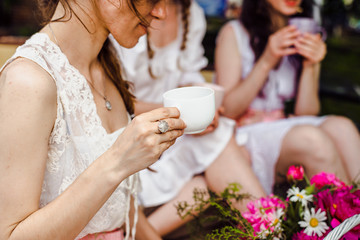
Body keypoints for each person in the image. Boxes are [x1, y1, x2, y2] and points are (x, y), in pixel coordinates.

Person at [0, 0, 188, 239]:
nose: (161, 12)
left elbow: (116, 206)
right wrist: (117, 162)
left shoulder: (107, 66)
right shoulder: (29, 82)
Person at [111, 0, 266, 236]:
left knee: (220, 145)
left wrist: (202, 107)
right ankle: (270, 226)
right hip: (129, 133)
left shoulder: (190, 13)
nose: (160, 14)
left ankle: (269, 226)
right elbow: (113, 101)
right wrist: (177, 112)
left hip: (172, 128)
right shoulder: (124, 11)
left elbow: (187, 78)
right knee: (221, 152)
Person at [215, 0, 360, 195]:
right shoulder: (234, 33)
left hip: (280, 129)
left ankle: (354, 213)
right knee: (312, 140)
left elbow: (306, 113)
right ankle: (347, 219)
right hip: (243, 135)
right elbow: (227, 110)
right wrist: (267, 59)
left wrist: (311, 65)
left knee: (343, 127)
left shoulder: (302, 30)